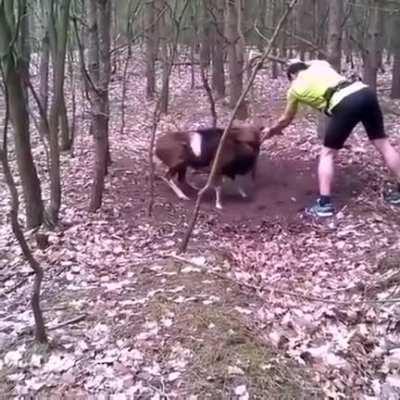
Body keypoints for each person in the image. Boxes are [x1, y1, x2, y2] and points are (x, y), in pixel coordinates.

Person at [263, 58, 400, 218]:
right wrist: (299, 61)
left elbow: (285, 119)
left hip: (345, 103)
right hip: (365, 92)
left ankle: (324, 205)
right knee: (382, 143)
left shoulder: (294, 89)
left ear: (292, 75)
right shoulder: (319, 65)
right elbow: (316, 61)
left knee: (327, 153)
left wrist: (272, 131)